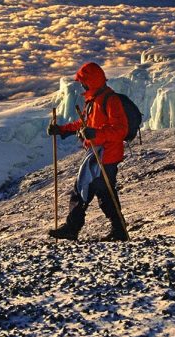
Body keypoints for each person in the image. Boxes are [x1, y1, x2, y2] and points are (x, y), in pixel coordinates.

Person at [47, 62, 129, 242]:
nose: (82, 85)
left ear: (91, 81)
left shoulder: (110, 100)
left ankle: (75, 227)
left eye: (84, 82)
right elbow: (83, 124)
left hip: (107, 154)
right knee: (99, 191)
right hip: (97, 153)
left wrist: (96, 134)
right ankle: (117, 230)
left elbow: (120, 129)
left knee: (88, 189)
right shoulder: (93, 100)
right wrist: (62, 130)